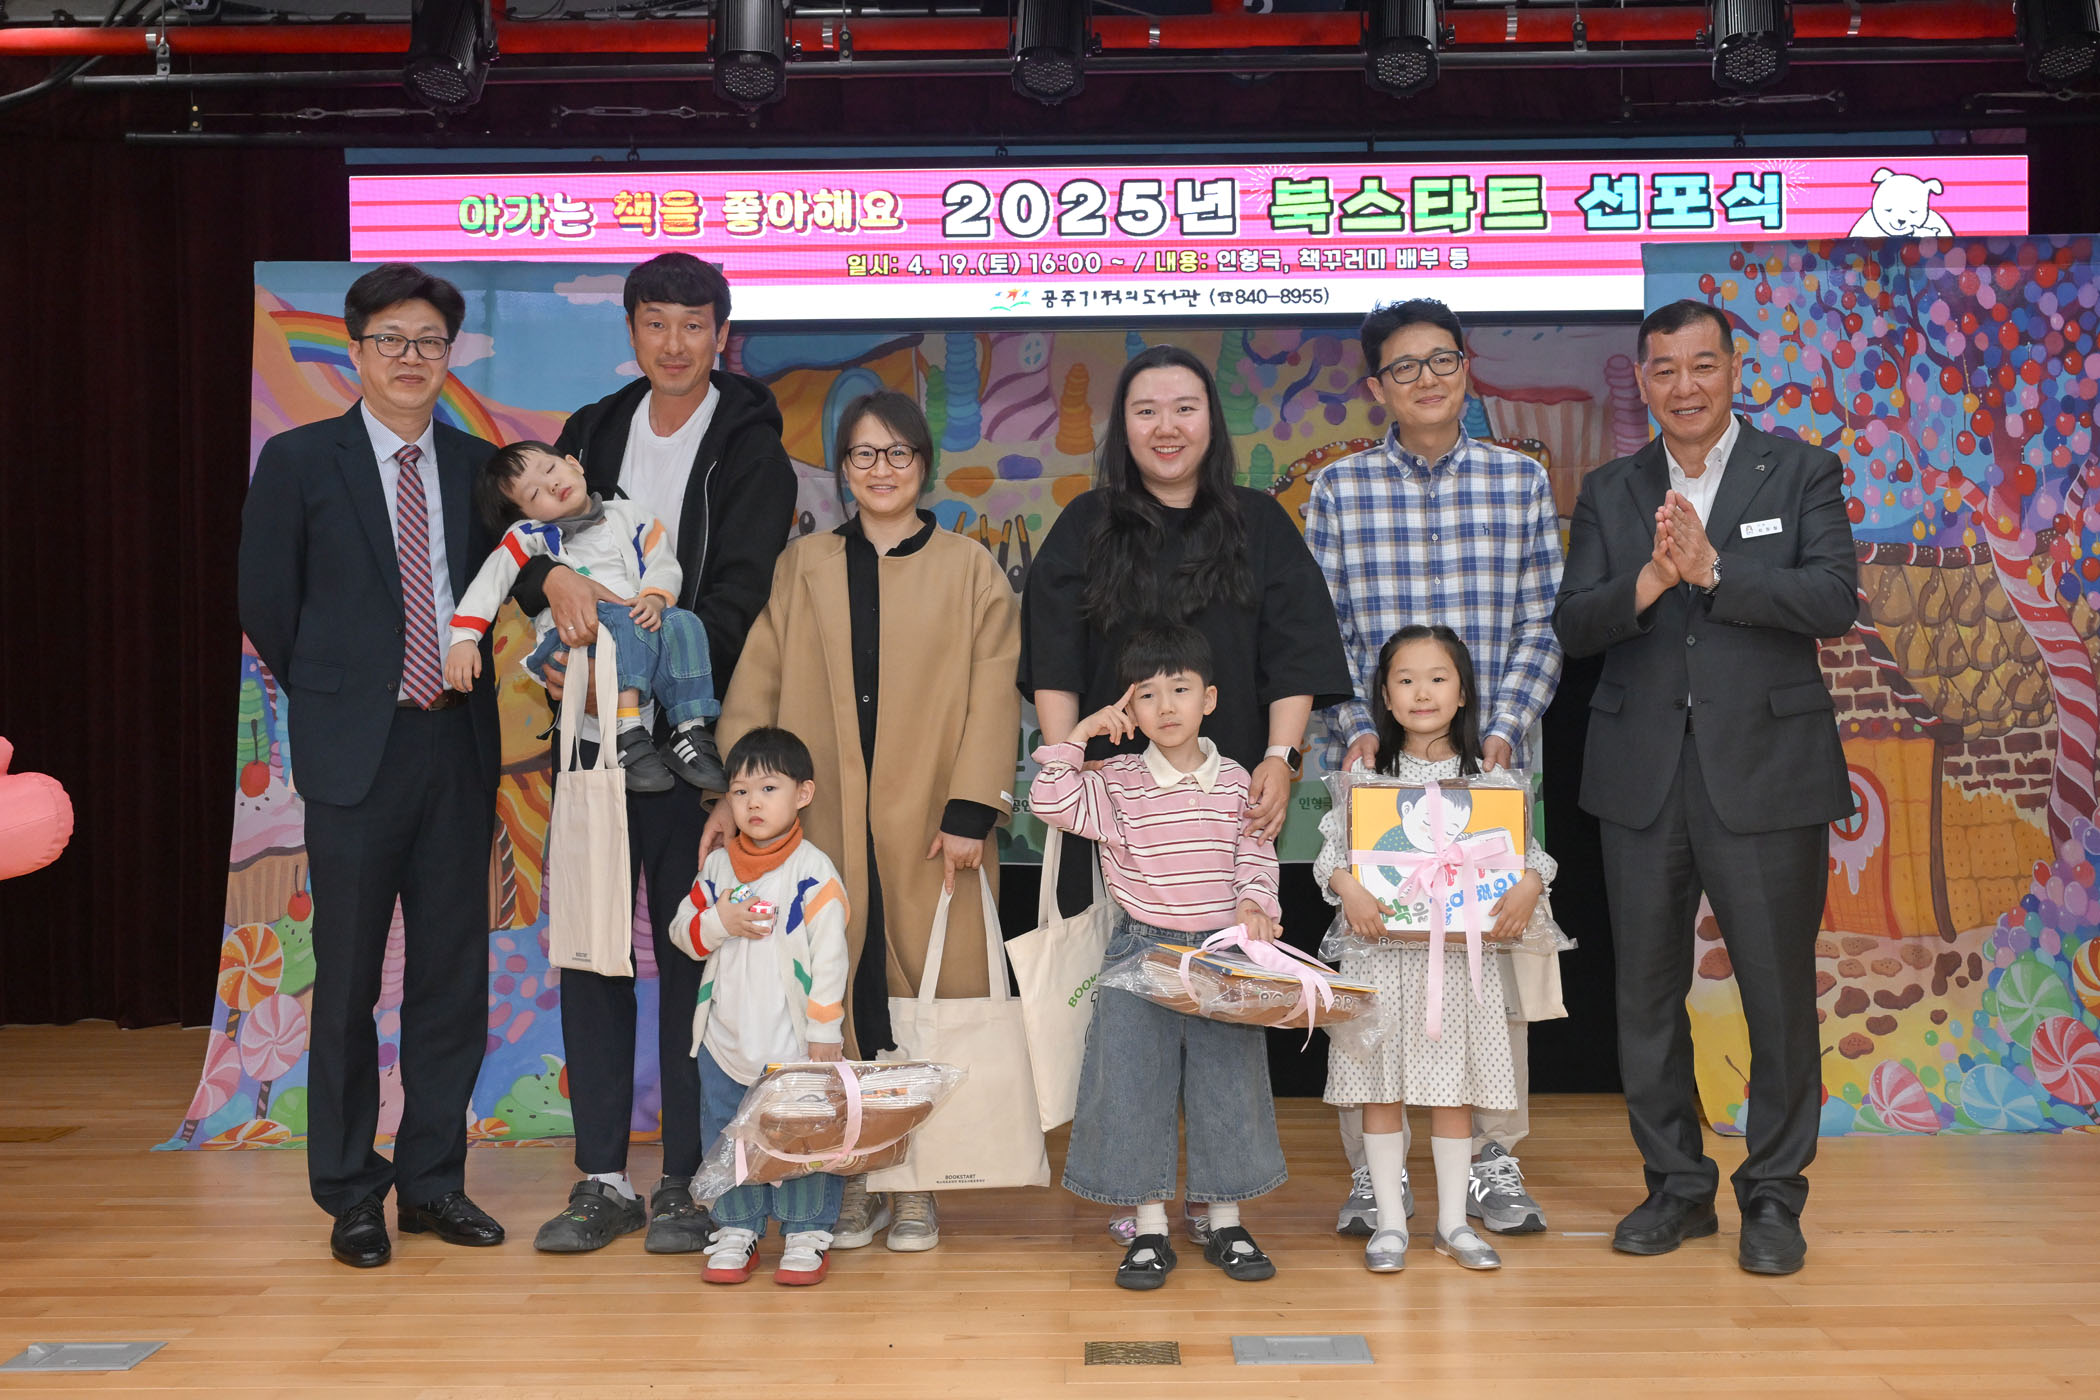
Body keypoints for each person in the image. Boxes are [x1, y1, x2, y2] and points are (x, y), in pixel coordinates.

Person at [1017, 343, 1352, 1244]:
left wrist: (1280, 757)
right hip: (1121, 808)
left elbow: (1296, 650)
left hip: (1227, 803)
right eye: (1146, 410)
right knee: (1128, 1020)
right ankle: (1139, 1199)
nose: (1167, 427)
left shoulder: (1257, 522)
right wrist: (1071, 762)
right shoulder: (1087, 524)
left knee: (1224, 1016)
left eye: (1185, 408)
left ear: (1212, 421)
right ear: (1122, 428)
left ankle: (1217, 1196)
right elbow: (1052, 657)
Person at [1554, 298, 1857, 1276]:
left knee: (1776, 992)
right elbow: (1574, 623)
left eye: (1702, 365)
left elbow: (1833, 599)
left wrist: (1715, 569)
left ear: (1733, 370)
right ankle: (1676, 1185)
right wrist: (1650, 581)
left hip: (1768, 771)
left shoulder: (1800, 470)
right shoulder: (1610, 489)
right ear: (1642, 381)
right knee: (1644, 992)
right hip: (1641, 773)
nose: (1684, 386)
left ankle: (1774, 1194)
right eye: (1664, 369)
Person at [510, 253, 797, 1256]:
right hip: (594, 737)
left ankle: (683, 1179)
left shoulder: (751, 445)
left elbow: (744, 594)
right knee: (593, 951)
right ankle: (600, 1178)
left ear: (722, 333)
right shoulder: (592, 430)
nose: (674, 343)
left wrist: (655, 665)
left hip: (693, 738)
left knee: (691, 953)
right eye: (656, 323)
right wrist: (548, 599)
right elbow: (528, 541)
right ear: (631, 330)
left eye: (694, 324)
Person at [709, 390, 1020, 1254]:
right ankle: (849, 1178)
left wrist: (971, 806)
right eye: (862, 455)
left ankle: (918, 1184)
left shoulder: (970, 569)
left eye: (897, 453)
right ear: (843, 470)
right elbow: (759, 683)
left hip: (935, 826)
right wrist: (739, 795)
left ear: (923, 464)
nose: (881, 470)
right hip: (821, 826)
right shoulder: (805, 564)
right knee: (830, 993)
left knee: (928, 998)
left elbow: (995, 693)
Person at [237, 263, 503, 1268]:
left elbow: (507, 584)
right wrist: (345, 691)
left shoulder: (480, 467)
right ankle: (351, 1191)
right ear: (355, 351)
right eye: (390, 339)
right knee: (347, 980)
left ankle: (433, 1182)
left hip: (456, 745)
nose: (410, 357)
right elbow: (267, 600)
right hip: (356, 752)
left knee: (451, 978)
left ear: (449, 354)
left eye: (429, 341)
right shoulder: (301, 460)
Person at [1303, 299, 1565, 1240]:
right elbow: (1324, 631)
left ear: (1467, 366)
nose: (1426, 379)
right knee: (1375, 962)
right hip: (1375, 775)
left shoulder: (1519, 481)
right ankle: (1375, 1176)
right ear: (1377, 386)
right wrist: (1354, 731)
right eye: (1404, 367)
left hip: (1487, 770)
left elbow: (1543, 623)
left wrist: (1503, 730)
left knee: (1490, 962)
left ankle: (1491, 1157)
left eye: (1441, 360)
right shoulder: (1339, 490)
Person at [1031, 625, 1288, 1290]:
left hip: (1223, 954)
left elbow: (1257, 854)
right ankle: (1148, 1231)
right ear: (1130, 708)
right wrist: (1080, 733)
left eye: (1180, 690)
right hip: (1140, 950)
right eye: (1147, 695)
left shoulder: (1236, 781)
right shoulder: (1116, 781)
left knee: (1227, 1085)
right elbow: (1048, 799)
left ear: (1210, 699)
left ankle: (1226, 1222)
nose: (1166, 706)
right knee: (1130, 1086)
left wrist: (1256, 903)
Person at [1314, 625, 1560, 1273]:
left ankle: (1452, 1224)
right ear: (1385, 697)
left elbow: (1533, 858)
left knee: (1454, 1093)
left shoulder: (1492, 782)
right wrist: (1348, 889)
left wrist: (1529, 885)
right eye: (1405, 680)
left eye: (1437, 678)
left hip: (1457, 965)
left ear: (1463, 693)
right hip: (1378, 960)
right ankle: (1390, 1224)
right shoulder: (1366, 781)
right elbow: (1330, 856)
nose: (1421, 692)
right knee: (1380, 1089)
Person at [667, 728, 851, 1286]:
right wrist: (719, 921)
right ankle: (736, 1228)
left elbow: (831, 958)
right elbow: (683, 932)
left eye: (769, 788)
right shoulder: (717, 868)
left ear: (803, 794)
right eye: (741, 791)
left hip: (795, 1045)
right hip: (725, 1039)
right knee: (728, 1134)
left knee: (804, 1134)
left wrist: (825, 1032)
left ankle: (806, 1231)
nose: (753, 803)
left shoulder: (814, 872)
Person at [444, 441, 724, 792]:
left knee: (684, 623)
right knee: (624, 619)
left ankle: (689, 729)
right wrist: (464, 638)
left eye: (550, 469)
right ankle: (626, 730)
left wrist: (655, 599)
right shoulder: (528, 536)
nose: (551, 484)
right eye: (534, 493)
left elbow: (662, 562)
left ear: (573, 464)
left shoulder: (629, 514)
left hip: (636, 627)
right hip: (573, 640)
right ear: (526, 515)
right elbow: (490, 582)